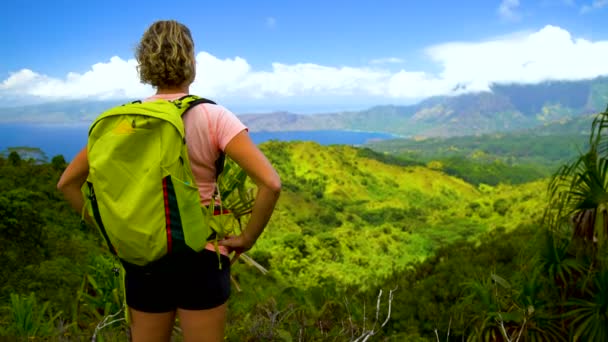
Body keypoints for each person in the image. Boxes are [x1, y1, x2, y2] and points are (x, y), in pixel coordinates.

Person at [57, 20, 281, 342]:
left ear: (145, 63)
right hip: (201, 255)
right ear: (191, 62)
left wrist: (115, 230)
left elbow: (68, 184)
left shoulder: (125, 121)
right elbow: (270, 184)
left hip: (142, 256)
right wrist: (247, 239)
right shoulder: (212, 115)